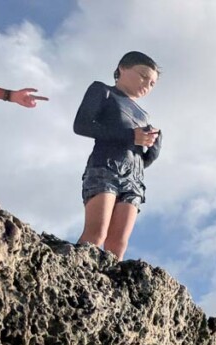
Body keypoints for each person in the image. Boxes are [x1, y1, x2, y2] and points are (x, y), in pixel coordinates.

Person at [73, 52, 161, 261]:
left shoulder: (144, 116)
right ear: (122, 68)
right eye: (142, 76)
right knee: (96, 234)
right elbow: (81, 125)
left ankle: (106, 289)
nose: (146, 85)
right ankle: (74, 278)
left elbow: (140, 158)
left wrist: (154, 150)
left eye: (152, 84)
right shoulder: (102, 90)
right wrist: (131, 135)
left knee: (118, 245)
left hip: (134, 179)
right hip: (105, 167)